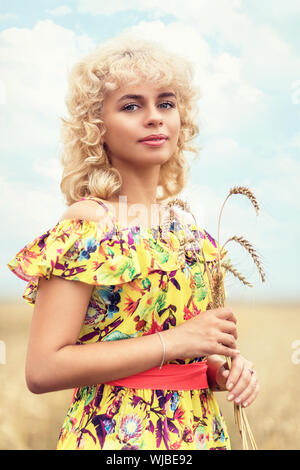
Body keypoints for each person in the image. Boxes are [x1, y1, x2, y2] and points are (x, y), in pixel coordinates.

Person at [7, 34, 259, 450]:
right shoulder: (89, 224)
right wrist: (174, 342)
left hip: (198, 436)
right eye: (131, 105)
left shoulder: (193, 235)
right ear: (97, 128)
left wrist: (218, 371)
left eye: (166, 103)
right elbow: (43, 368)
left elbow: (190, 352)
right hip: (116, 439)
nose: (155, 117)